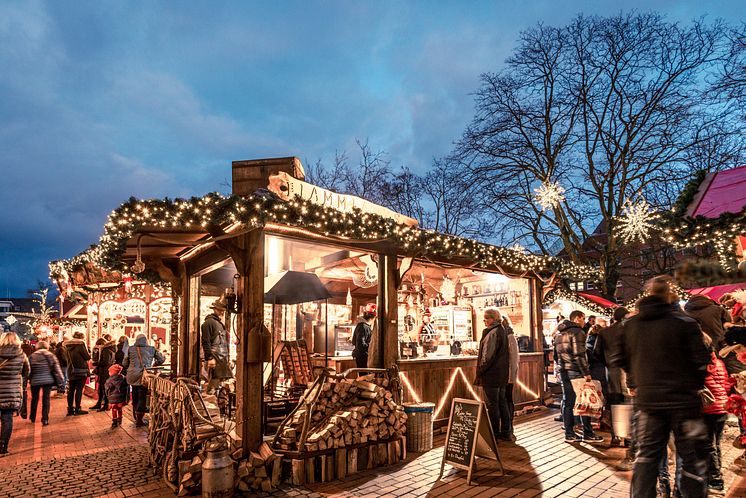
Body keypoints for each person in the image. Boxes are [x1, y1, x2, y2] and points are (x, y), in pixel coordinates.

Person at [617, 276, 710, 498]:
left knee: (647, 456)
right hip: (685, 403)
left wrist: (639, 379)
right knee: (692, 457)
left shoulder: (631, 325)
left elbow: (619, 358)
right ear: (670, 295)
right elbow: (701, 360)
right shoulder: (686, 323)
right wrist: (692, 385)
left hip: (649, 402)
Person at [554, 310, 603, 443]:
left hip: (564, 370)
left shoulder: (559, 334)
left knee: (568, 402)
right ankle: (587, 433)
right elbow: (579, 355)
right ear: (577, 319)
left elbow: (555, 356)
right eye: (583, 318)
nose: (584, 321)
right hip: (576, 371)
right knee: (584, 401)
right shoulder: (578, 332)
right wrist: (586, 373)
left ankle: (569, 434)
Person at [475, 308, 512, 442]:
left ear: (492, 319)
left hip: (492, 375)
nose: (484, 321)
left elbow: (487, 357)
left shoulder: (492, 333)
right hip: (501, 374)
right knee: (501, 403)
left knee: (492, 405)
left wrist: (480, 370)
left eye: (485, 318)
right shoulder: (502, 330)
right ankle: (506, 432)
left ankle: (494, 435)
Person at [701, 333, 728, 495]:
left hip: (708, 410)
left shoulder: (701, 365)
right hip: (721, 408)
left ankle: (716, 481)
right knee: (715, 444)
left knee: (709, 446)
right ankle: (715, 476)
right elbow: (725, 384)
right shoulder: (719, 362)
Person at [602, 306, 630, 448]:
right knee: (628, 404)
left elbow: (596, 352)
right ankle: (629, 438)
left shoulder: (605, 332)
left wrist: (607, 363)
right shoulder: (630, 330)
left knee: (614, 405)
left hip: (611, 372)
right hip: (627, 373)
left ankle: (615, 435)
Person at [123, 333, 164, 427]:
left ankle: (136, 416)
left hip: (132, 375)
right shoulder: (152, 349)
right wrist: (153, 365)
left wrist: (132, 366)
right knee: (142, 396)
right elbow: (161, 360)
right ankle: (139, 420)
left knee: (135, 394)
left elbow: (125, 362)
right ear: (146, 340)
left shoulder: (130, 349)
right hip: (144, 375)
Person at [0, 332, 30, 456]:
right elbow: (27, 372)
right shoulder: (21, 355)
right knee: (7, 419)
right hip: (12, 392)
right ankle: (3, 447)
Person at [201, 297, 233, 393]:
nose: (222, 312)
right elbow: (205, 342)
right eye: (219, 310)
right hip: (215, 357)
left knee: (219, 385)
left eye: (222, 310)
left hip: (221, 357)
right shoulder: (208, 323)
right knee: (213, 386)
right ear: (214, 309)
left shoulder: (219, 323)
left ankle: (219, 404)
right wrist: (210, 357)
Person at [28, 341, 64, 425]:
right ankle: (45, 419)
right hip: (47, 380)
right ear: (46, 347)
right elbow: (57, 368)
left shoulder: (32, 356)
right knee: (46, 399)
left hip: (35, 380)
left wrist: (28, 378)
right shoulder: (51, 355)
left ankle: (32, 416)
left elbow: (28, 369)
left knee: (34, 398)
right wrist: (61, 379)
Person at [63, 331, 90, 416]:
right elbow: (87, 357)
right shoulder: (80, 344)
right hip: (81, 370)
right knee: (79, 390)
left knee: (71, 390)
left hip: (71, 370)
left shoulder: (67, 346)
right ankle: (78, 408)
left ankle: (70, 409)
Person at [91, 334, 116, 411]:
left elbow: (105, 362)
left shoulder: (106, 350)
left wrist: (96, 363)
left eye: (98, 345)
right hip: (106, 371)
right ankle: (100, 403)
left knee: (104, 389)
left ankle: (105, 405)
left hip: (105, 372)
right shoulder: (110, 349)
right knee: (102, 389)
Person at [505, 315, 520, 440]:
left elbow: (514, 359)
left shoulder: (510, 337)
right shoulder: (505, 336)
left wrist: (511, 376)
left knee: (508, 399)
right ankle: (506, 426)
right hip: (504, 375)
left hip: (508, 374)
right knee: (505, 400)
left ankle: (509, 426)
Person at [105, 363, 129, 429]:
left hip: (112, 398)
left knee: (114, 409)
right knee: (119, 408)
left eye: (109, 372)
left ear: (112, 372)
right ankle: (120, 419)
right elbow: (127, 387)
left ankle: (114, 422)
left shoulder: (109, 380)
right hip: (121, 398)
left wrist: (108, 396)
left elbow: (107, 389)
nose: (109, 373)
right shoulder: (123, 378)